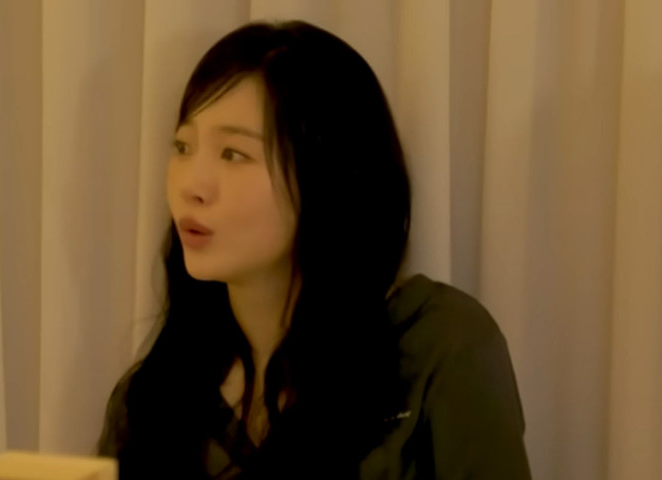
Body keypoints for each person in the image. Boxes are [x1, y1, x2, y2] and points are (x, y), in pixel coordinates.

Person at [96, 19, 531, 479]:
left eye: (233, 154)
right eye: (183, 147)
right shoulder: (152, 397)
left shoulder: (441, 345)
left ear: (326, 176)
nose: (191, 186)